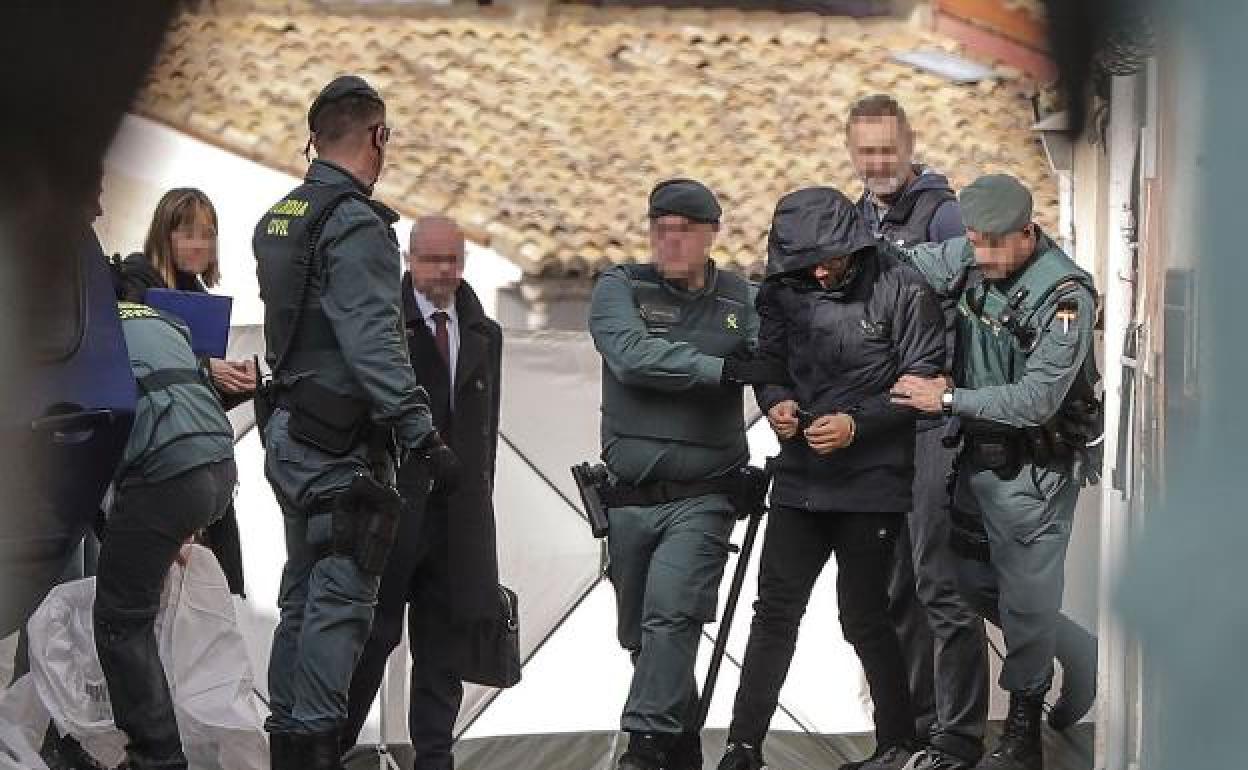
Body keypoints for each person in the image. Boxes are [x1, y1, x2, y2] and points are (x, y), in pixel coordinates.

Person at [253, 75, 450, 770]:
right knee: (338, 601)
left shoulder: (280, 217)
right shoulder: (357, 224)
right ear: (377, 136)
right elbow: (373, 340)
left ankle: (289, 744)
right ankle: (313, 750)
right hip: (343, 446)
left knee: (302, 597)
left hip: (290, 432)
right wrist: (418, 425)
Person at [716, 187, 944, 770]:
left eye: (830, 259)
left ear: (853, 244)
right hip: (799, 476)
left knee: (864, 613)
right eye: (805, 263)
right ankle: (743, 748)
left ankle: (898, 744)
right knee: (774, 611)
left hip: (873, 480)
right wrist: (776, 402)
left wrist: (855, 426)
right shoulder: (780, 289)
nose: (819, 271)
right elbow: (768, 362)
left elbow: (924, 385)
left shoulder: (903, 287)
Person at [891, 174, 1101, 770]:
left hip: (1034, 470)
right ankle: (1073, 648)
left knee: (1027, 602)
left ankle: (1023, 733)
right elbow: (919, 266)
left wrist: (949, 400)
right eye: (974, 242)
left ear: (1027, 233)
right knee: (964, 584)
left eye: (992, 245)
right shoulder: (978, 250)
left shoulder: (1065, 297)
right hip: (977, 459)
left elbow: (1038, 398)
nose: (979, 257)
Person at [588, 178, 789, 770]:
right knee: (640, 636)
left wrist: (775, 398)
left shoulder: (741, 300)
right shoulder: (620, 286)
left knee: (673, 613)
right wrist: (722, 371)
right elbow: (631, 356)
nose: (669, 243)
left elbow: (772, 362)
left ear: (710, 235)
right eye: (660, 230)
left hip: (705, 494)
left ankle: (644, 747)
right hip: (627, 497)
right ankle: (680, 750)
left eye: (682, 232)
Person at [846, 94, 989, 770]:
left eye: (887, 149)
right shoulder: (853, 217)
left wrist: (951, 391)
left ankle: (956, 741)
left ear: (909, 146)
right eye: (865, 151)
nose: (878, 162)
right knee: (894, 584)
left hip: (934, 420)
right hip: (878, 425)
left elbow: (977, 300)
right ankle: (908, 737)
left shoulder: (945, 214)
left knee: (940, 581)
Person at [343, 216, 503, 770]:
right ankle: (334, 748)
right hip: (396, 505)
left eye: (454, 260)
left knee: (444, 647)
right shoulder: (386, 323)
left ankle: (435, 759)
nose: (445, 272)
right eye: (434, 260)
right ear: (410, 259)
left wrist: (479, 506)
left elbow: (485, 431)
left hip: (458, 512)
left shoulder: (483, 330)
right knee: (374, 633)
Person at [94, 299, 237, 770]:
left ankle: (157, 758)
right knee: (144, 606)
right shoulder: (145, 313)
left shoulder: (77, 326)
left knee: (121, 619)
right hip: (218, 461)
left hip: (168, 468)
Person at [115, 187, 254, 596]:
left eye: (208, 235)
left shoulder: (203, 300)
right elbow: (136, 361)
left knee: (219, 583)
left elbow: (202, 394)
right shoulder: (135, 282)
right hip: (152, 451)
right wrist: (202, 366)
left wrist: (238, 380)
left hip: (197, 451)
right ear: (165, 233)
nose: (200, 245)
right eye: (189, 233)